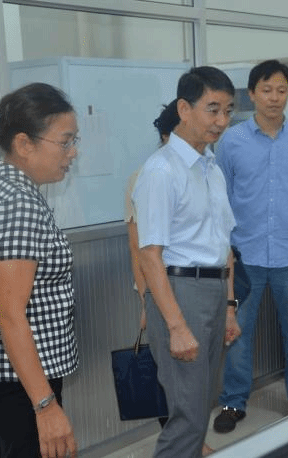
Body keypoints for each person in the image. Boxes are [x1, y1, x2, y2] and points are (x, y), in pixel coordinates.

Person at [0, 82, 80, 458]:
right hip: (22, 381)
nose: (73, 152)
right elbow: (11, 314)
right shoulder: (18, 204)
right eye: (65, 142)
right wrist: (45, 406)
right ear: (24, 144)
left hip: (3, 371)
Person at [132, 66, 242, 458]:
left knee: (200, 406)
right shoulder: (161, 170)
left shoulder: (211, 168)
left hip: (212, 290)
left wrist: (229, 306)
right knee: (188, 417)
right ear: (184, 108)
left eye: (228, 111)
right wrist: (176, 327)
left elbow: (222, 246)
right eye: (213, 109)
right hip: (181, 293)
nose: (222, 121)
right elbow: (149, 255)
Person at [213, 59, 288, 433]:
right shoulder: (231, 141)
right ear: (252, 93)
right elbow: (222, 197)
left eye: (281, 90)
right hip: (245, 255)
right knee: (237, 333)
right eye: (266, 89)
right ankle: (233, 403)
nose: (274, 97)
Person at [123, 99, 179, 431]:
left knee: (193, 373)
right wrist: (146, 300)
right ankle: (177, 439)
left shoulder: (202, 173)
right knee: (165, 373)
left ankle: (191, 438)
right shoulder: (142, 178)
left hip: (196, 288)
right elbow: (137, 247)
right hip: (160, 289)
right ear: (165, 136)